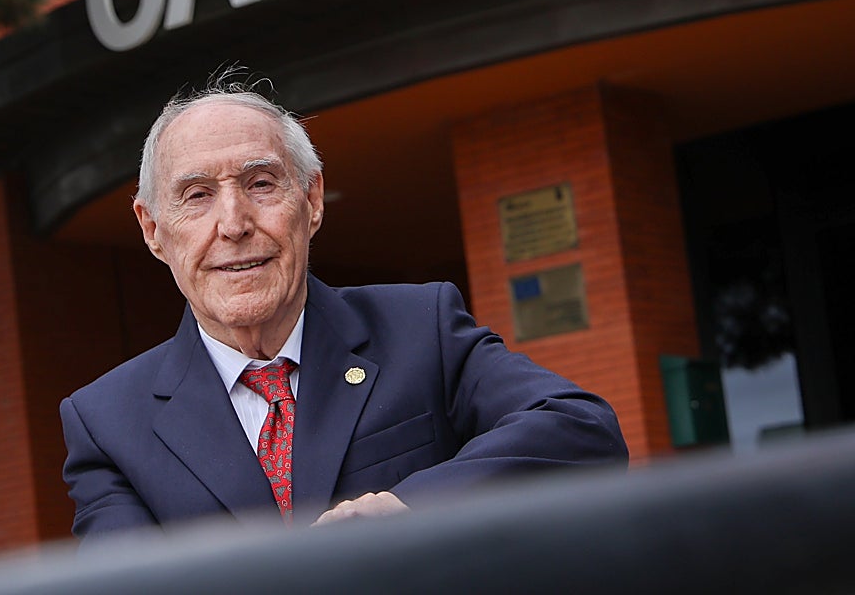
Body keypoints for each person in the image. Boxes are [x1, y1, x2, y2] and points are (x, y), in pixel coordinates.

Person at [60, 83, 627, 538]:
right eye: (197, 195)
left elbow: (581, 428)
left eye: (261, 184)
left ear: (310, 203)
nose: (233, 224)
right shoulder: (108, 422)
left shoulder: (420, 327)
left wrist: (411, 506)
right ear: (153, 230)